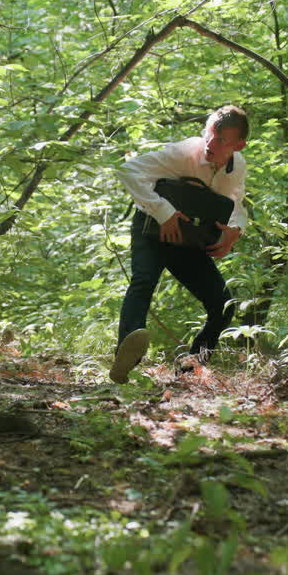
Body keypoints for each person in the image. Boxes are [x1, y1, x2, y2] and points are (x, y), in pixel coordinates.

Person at [108, 105, 249, 383]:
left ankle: (189, 372)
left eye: (221, 140)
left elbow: (236, 205)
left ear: (239, 145)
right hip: (151, 230)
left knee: (223, 306)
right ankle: (125, 355)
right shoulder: (182, 153)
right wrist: (165, 212)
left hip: (188, 241)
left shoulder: (237, 167)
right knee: (143, 281)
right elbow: (128, 171)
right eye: (209, 134)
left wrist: (236, 231)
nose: (211, 143)